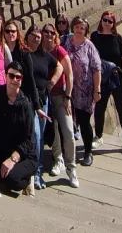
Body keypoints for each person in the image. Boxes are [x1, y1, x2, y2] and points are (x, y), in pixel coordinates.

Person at [0, 60, 38, 194]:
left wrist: (12, 159)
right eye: (11, 76)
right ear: (6, 76)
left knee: (13, 180)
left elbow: (29, 140)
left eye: (18, 77)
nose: (14, 80)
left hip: (24, 155)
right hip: (4, 149)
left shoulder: (25, 105)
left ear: (21, 81)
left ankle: (28, 178)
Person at [25, 24, 62, 190]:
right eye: (33, 35)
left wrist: (52, 82)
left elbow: (60, 66)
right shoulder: (25, 55)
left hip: (43, 100)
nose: (36, 38)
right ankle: (31, 172)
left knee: (39, 137)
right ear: (27, 36)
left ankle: (38, 173)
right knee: (34, 135)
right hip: (28, 101)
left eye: (38, 36)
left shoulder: (45, 55)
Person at [91, 11, 122, 156]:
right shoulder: (95, 37)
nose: (107, 23)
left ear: (113, 23)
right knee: (99, 108)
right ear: (101, 20)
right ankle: (98, 136)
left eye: (110, 21)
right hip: (101, 79)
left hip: (117, 79)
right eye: (105, 20)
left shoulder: (117, 38)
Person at [62, 16, 102, 167]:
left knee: (84, 122)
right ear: (73, 27)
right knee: (66, 122)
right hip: (67, 89)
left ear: (86, 31)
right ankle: (65, 152)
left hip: (85, 91)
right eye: (77, 27)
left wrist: (97, 90)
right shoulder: (65, 41)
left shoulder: (89, 46)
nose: (79, 30)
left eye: (82, 28)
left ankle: (87, 152)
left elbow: (96, 69)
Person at [41, 23, 78, 187]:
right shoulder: (40, 50)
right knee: (53, 129)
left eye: (51, 32)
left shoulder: (59, 51)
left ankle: (72, 168)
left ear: (55, 35)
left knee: (68, 130)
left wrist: (68, 96)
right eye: (46, 32)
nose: (49, 35)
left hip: (61, 96)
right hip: (46, 97)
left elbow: (69, 75)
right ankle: (58, 160)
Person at [3, 20, 41, 112]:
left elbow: (31, 79)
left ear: (17, 33)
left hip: (23, 95)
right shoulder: (0, 51)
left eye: (13, 31)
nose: (10, 33)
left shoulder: (24, 53)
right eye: (7, 31)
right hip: (5, 95)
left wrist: (37, 106)